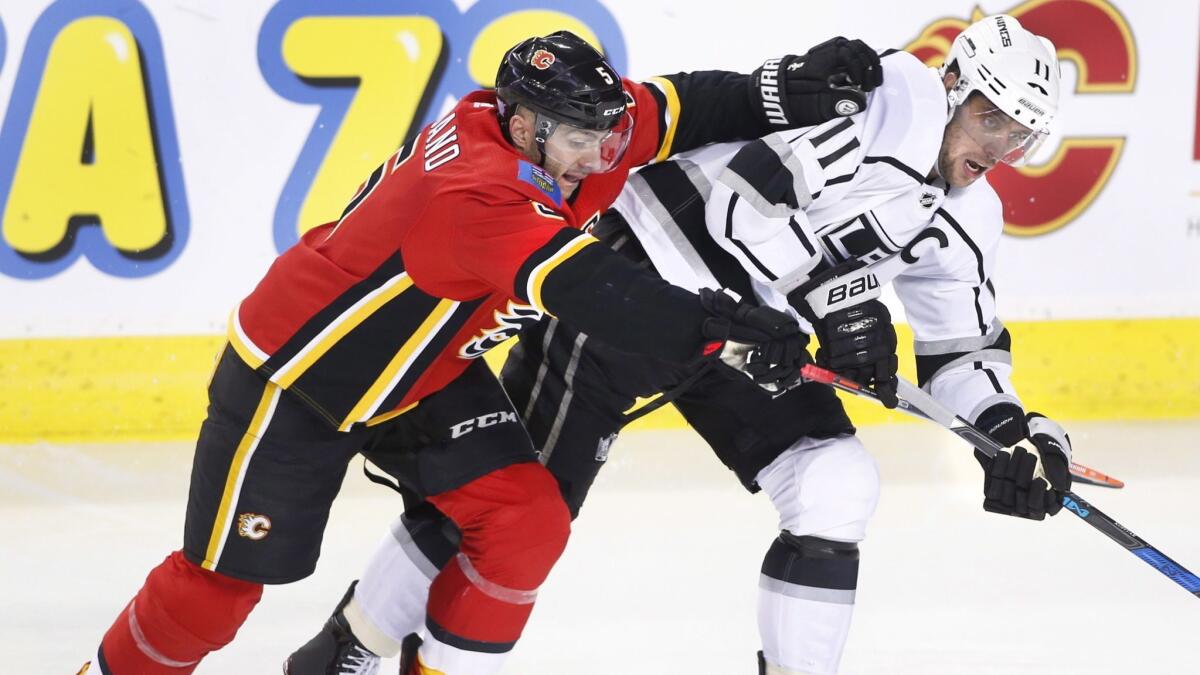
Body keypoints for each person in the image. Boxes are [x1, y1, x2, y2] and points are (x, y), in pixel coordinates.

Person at [292, 14, 1075, 675]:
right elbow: (744, 206)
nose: (999, 147)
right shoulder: (887, 99)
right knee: (515, 508)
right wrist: (846, 303)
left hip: (749, 333)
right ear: (952, 88)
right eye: (990, 119)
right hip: (635, 284)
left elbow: (960, 349)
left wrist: (1008, 428)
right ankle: (349, 644)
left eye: (1021, 135)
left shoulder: (972, 216)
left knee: (836, 482)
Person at [83, 30, 884, 675]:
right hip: (301, 381)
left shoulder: (565, 131)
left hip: (425, 376)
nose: (601, 160)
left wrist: (775, 91)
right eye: (582, 141)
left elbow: (677, 107)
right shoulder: (477, 192)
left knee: (526, 517)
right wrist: (725, 327)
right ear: (529, 126)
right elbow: (595, 291)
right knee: (217, 595)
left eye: (605, 140)